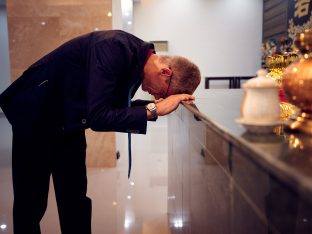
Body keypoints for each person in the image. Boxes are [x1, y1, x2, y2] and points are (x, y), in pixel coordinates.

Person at [0, 29, 201, 234]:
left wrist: (153, 109)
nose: (157, 96)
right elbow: (99, 116)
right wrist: (154, 109)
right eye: (164, 93)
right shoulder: (113, 47)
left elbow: (112, 106)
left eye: (162, 97)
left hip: (68, 120)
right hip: (36, 115)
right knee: (30, 203)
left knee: (75, 198)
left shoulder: (136, 59)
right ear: (165, 73)